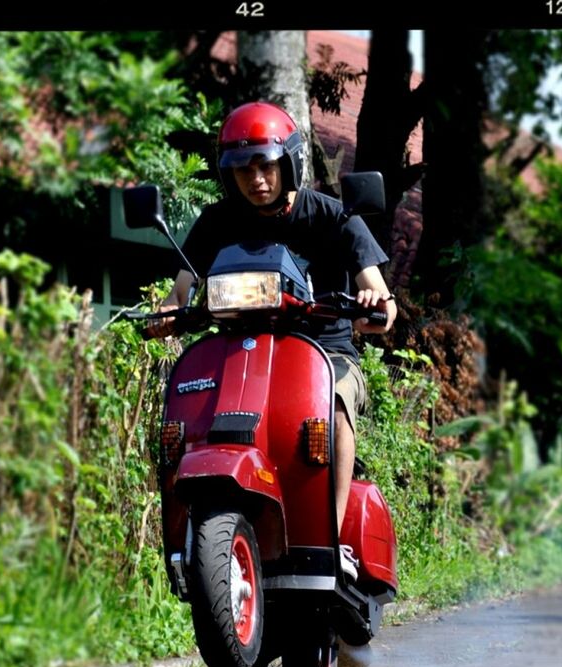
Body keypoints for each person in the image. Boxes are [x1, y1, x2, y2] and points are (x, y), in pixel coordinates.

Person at [149, 101, 397, 580]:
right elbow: (179, 292)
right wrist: (166, 313)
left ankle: (333, 539)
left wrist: (374, 301)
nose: (256, 179)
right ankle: (192, 538)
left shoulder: (333, 217)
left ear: (290, 163)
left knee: (335, 407)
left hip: (325, 352)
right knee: (189, 414)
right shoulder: (216, 224)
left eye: (266, 165)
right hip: (237, 352)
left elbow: (380, 293)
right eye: (242, 169)